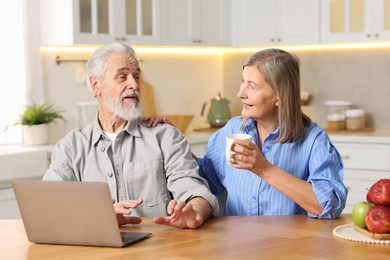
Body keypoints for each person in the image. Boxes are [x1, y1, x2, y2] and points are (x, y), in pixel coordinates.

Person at [151, 49, 348, 219]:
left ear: (280, 95)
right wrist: (175, 141)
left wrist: (264, 169)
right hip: (237, 245)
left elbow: (328, 205)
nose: (240, 93)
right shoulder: (232, 129)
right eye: (242, 82)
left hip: (291, 246)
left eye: (252, 86)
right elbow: (208, 180)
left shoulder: (313, 140)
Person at [42, 42, 219, 229]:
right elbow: (47, 205)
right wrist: (100, 216)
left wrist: (195, 211)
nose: (134, 84)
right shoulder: (71, 147)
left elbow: (195, 191)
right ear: (96, 85)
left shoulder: (165, 136)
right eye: (122, 77)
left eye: (136, 76)